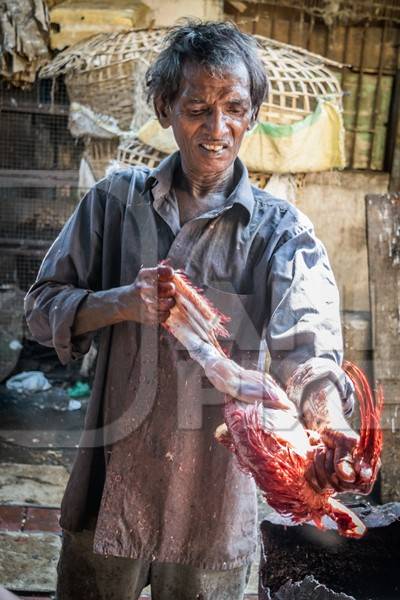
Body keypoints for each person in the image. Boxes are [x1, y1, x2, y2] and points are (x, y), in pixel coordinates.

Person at [25, 21, 363, 600]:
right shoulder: (112, 204)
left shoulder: (281, 232)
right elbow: (40, 309)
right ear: (164, 107)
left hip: (212, 502)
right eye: (197, 107)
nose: (217, 128)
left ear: (254, 114)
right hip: (111, 492)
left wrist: (326, 417)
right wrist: (120, 304)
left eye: (234, 108)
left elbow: (308, 345)